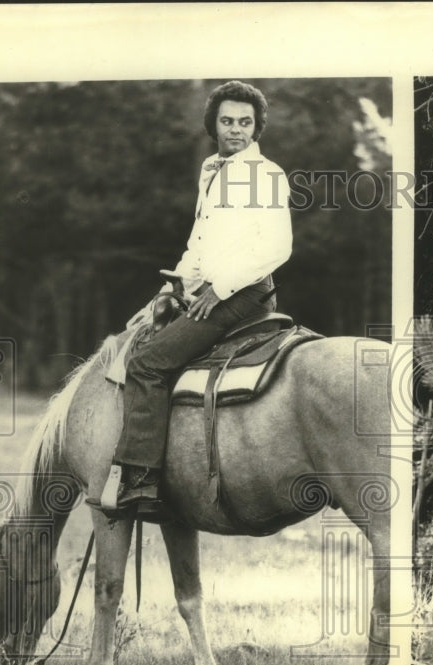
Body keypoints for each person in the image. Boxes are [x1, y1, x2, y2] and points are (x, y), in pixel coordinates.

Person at [102, 80, 292, 516]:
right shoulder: (212, 170)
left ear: (257, 127)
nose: (236, 130)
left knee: (147, 363)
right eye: (227, 121)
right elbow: (198, 246)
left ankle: (141, 484)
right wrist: (174, 286)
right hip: (208, 291)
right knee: (147, 333)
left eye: (246, 122)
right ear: (213, 125)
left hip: (241, 295)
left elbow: (277, 248)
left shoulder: (266, 175)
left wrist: (217, 289)